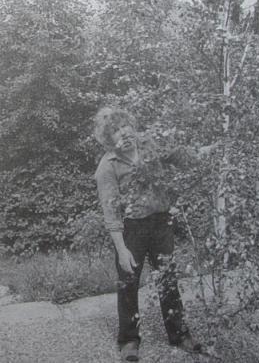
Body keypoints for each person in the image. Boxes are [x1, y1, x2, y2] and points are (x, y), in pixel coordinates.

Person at [93, 106, 201, 362]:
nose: (123, 133)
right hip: (132, 229)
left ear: (132, 126)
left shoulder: (149, 145)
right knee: (128, 282)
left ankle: (179, 334)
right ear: (109, 140)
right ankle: (129, 340)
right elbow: (111, 214)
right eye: (116, 131)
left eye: (125, 126)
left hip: (161, 223)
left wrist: (202, 152)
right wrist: (122, 250)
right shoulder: (107, 167)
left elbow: (177, 155)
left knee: (167, 279)